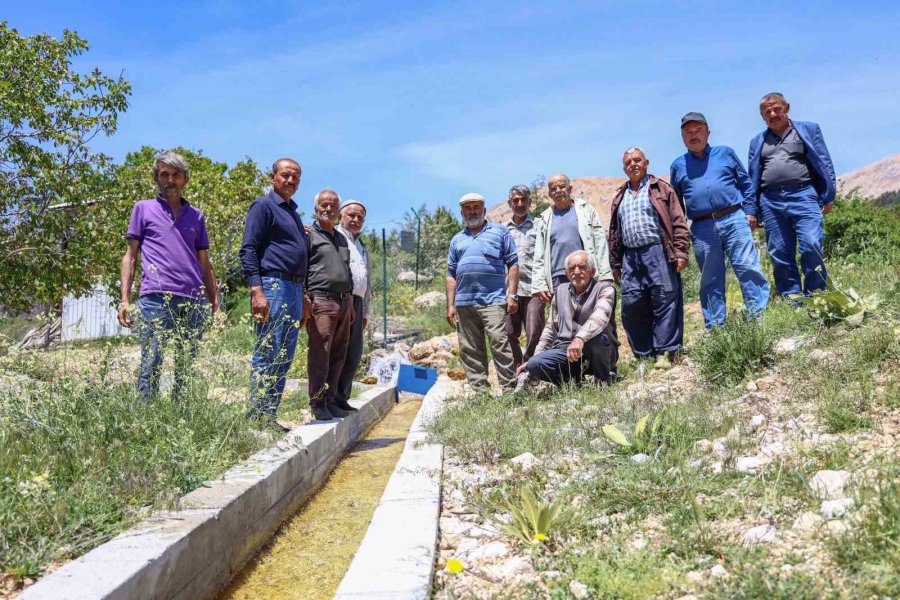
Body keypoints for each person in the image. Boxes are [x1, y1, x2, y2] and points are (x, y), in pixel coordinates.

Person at [118, 150, 220, 402]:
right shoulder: (143, 209)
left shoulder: (197, 216)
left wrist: (216, 305)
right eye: (164, 174)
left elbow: (204, 264)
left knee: (186, 366)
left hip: (193, 300)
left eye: (176, 174)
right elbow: (130, 256)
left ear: (185, 179)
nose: (170, 180)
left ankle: (179, 416)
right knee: (152, 361)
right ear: (156, 178)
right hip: (156, 298)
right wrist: (125, 299)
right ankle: (146, 422)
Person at [670, 112, 770, 328]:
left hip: (734, 218)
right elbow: (676, 205)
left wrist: (751, 212)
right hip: (701, 227)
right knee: (710, 279)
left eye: (698, 130)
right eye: (688, 132)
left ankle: (759, 317)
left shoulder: (725, 153)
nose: (693, 135)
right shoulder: (678, 166)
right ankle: (715, 328)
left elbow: (745, 183)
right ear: (682, 136)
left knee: (747, 267)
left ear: (708, 132)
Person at [239, 158, 309, 431]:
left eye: (296, 177)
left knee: (285, 354)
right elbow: (248, 249)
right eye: (285, 175)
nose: (291, 180)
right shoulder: (263, 206)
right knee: (267, 351)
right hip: (273, 286)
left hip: (293, 288)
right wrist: (257, 291)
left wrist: (302, 294)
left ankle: (269, 416)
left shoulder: (293, 212)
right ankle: (256, 420)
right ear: (272, 177)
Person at [748, 92, 837, 297]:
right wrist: (752, 210)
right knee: (779, 252)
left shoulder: (808, 129)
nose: (772, 114)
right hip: (770, 201)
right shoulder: (756, 141)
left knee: (811, 244)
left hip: (804, 194)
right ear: (762, 116)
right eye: (766, 111)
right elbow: (752, 177)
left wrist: (829, 194)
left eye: (776, 109)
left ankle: (817, 294)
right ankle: (792, 298)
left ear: (786, 108)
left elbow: (825, 162)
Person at [609, 147, 690, 361]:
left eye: (637, 160)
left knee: (665, 299)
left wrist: (681, 251)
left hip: (658, 251)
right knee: (632, 305)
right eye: (628, 162)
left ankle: (666, 352)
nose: (633, 165)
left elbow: (678, 221)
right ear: (624, 168)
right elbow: (614, 233)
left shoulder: (662, 189)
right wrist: (615, 263)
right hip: (630, 258)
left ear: (646, 163)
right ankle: (644, 355)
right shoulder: (619, 196)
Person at [446, 192, 519, 392]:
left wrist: (512, 295)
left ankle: (510, 389)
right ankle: (480, 392)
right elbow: (450, 273)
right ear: (462, 212)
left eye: (476, 207)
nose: (472, 211)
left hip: (493, 300)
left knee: (499, 342)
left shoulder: (500, 232)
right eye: (468, 208)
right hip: (464, 303)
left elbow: (513, 264)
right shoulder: (456, 240)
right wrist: (450, 305)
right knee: (470, 348)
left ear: (484, 210)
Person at [522, 250, 619, 387]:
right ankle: (572, 383)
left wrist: (580, 338)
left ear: (592, 271)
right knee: (534, 364)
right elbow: (551, 329)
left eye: (582, 267)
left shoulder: (605, 289)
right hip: (567, 352)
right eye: (572, 268)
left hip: (598, 350)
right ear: (567, 274)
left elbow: (600, 317)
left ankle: (603, 379)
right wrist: (536, 356)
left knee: (599, 339)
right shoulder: (560, 291)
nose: (577, 272)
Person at [306, 189, 355, 420]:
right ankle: (317, 403)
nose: (328, 209)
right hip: (321, 300)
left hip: (344, 301)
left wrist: (352, 303)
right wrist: (306, 298)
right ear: (316, 208)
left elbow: (347, 271)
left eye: (333, 206)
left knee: (339, 351)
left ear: (338, 211)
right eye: (324, 205)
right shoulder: (308, 234)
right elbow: (300, 268)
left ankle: (332, 400)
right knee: (321, 351)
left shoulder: (341, 238)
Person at [531, 174, 613, 306]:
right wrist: (539, 284)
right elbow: (539, 254)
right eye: (553, 188)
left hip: (584, 273)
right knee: (564, 318)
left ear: (570, 189)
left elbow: (600, 243)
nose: (558, 190)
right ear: (550, 194)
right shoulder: (545, 218)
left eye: (562, 186)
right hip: (558, 276)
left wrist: (604, 275)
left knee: (590, 313)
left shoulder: (586, 211)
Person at [334, 199, 372, 413]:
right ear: (341, 216)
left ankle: (342, 399)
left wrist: (365, 311)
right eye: (352, 215)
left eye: (360, 217)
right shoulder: (335, 237)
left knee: (353, 353)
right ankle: (328, 400)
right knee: (337, 351)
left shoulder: (361, 245)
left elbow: (367, 281)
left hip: (358, 303)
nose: (356, 219)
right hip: (340, 300)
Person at [504, 185, 546, 369]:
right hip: (508, 291)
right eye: (515, 200)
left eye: (523, 200)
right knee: (509, 332)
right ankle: (516, 368)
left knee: (535, 330)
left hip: (534, 288)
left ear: (530, 202)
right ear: (509, 203)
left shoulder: (540, 225)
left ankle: (531, 369)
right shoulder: (502, 230)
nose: (520, 204)